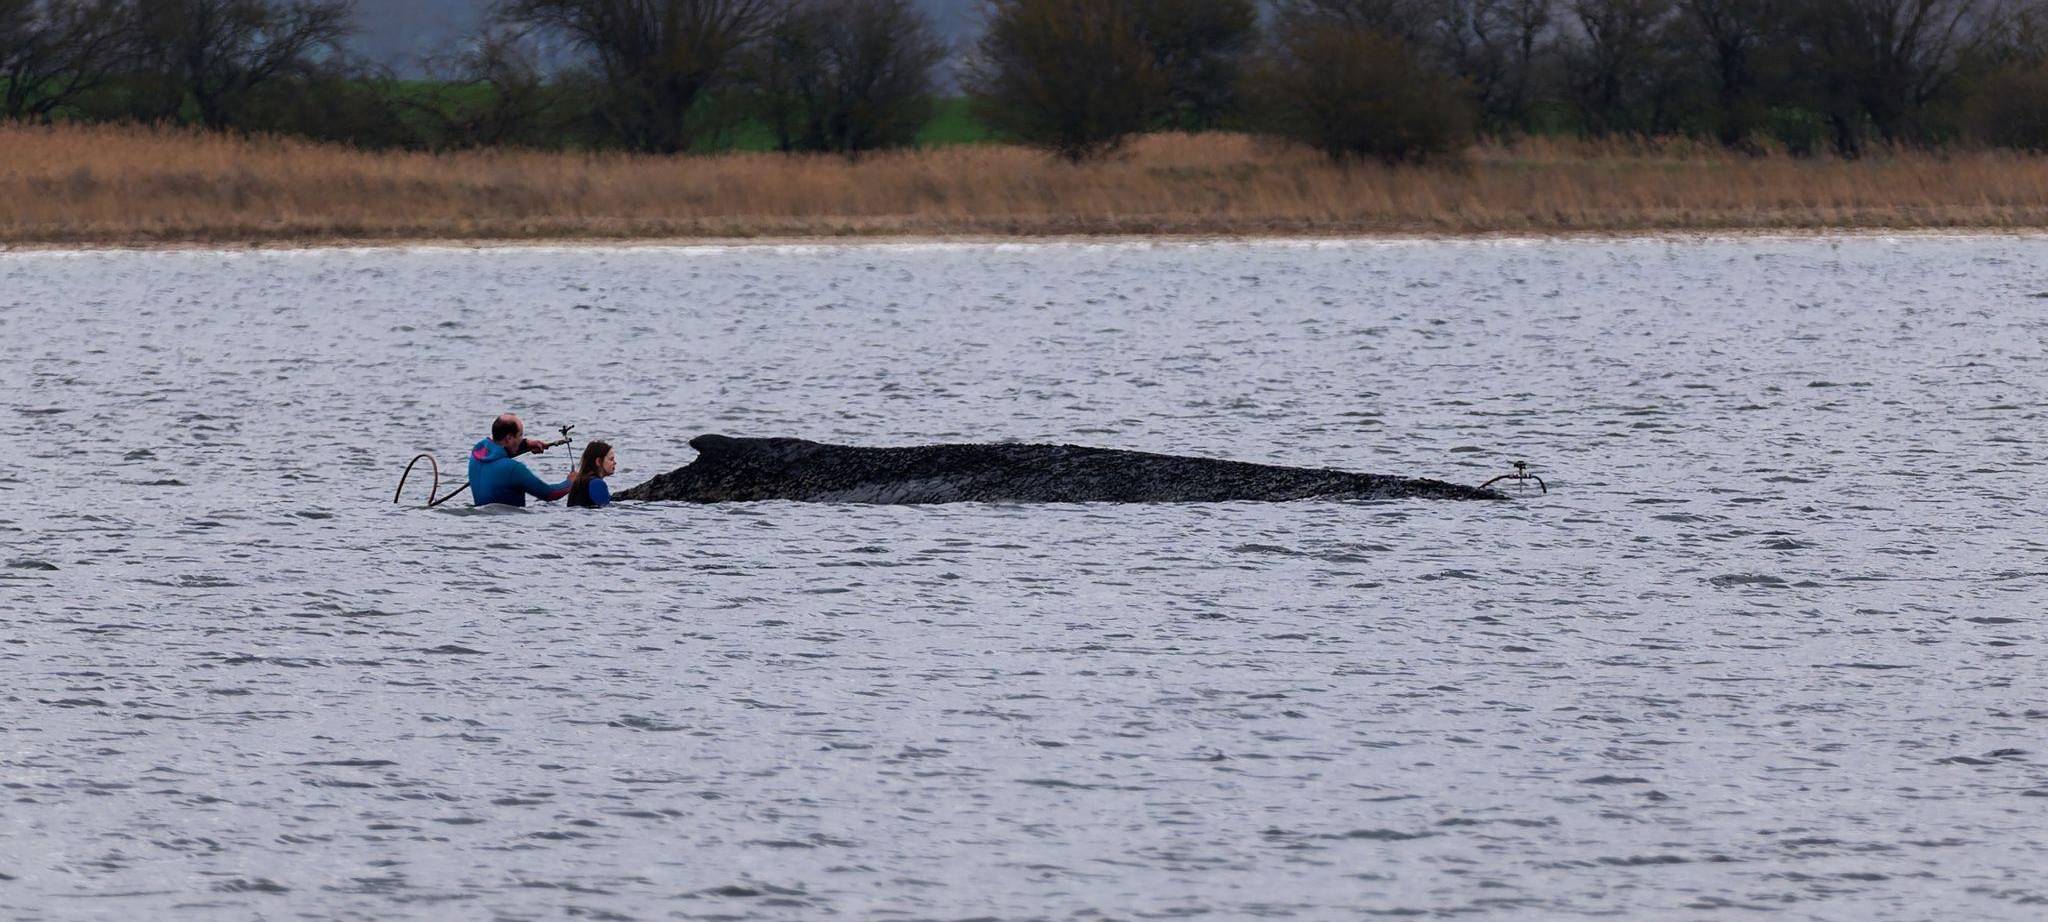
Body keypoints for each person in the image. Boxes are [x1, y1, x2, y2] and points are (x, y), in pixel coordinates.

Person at [468, 413, 569, 507]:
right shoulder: (514, 469)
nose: (522, 438)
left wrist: (526, 444)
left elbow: (498, 450)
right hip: (509, 520)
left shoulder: (477, 453)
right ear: (509, 438)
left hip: (484, 518)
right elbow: (549, 494)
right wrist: (571, 482)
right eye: (520, 435)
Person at [569, 440, 617, 509]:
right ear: (598, 461)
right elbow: (606, 508)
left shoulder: (579, 481)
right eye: (611, 459)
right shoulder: (597, 483)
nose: (615, 463)